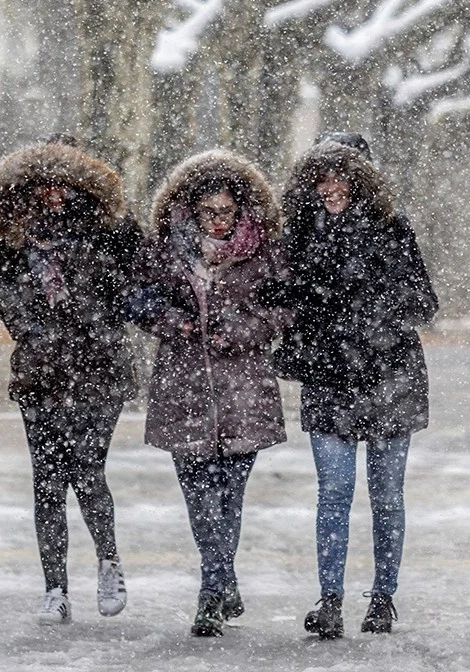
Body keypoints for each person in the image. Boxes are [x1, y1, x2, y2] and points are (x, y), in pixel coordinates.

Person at [275, 140, 438, 639]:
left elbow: (423, 303)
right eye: (320, 179)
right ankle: (330, 600)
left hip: (390, 378)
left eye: (339, 177)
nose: (330, 188)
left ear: (361, 180)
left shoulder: (392, 228)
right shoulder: (300, 233)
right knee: (335, 492)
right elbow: (282, 299)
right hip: (329, 379)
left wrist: (372, 306)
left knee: (386, 495)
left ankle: (383, 600)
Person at [129, 150, 287, 637]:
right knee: (199, 498)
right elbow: (138, 299)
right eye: (208, 212)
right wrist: (176, 323)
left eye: (226, 212)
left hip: (243, 390)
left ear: (241, 210)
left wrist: (242, 329)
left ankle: (213, 588)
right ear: (190, 210)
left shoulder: (263, 252)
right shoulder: (165, 251)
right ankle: (217, 583)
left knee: (229, 496)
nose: (217, 222)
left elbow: (285, 307)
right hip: (184, 389)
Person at [0, 139, 140, 625]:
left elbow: (139, 281)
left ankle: (109, 562)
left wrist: (101, 323)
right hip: (41, 372)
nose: (52, 192)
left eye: (62, 182)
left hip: (100, 369)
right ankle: (55, 588)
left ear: (81, 181)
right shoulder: (15, 232)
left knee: (88, 470)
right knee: (47, 481)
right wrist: (32, 329)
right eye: (43, 182)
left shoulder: (112, 228)